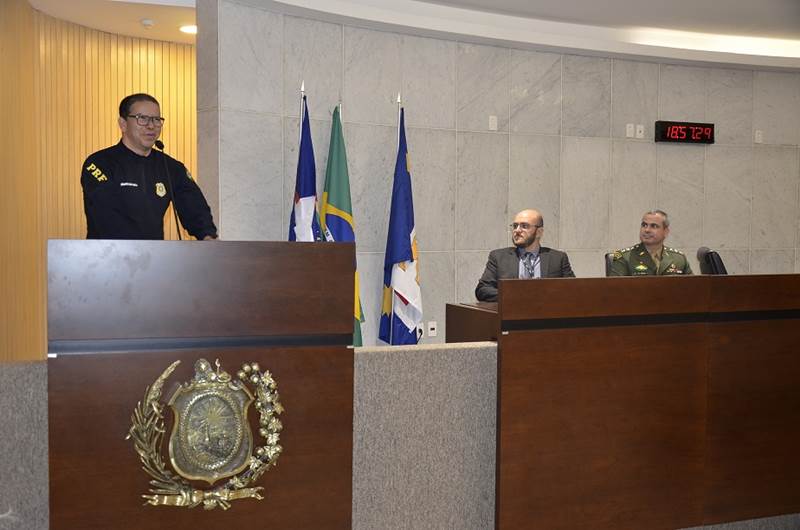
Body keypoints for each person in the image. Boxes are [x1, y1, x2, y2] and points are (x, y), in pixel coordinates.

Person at [81, 93, 218, 240]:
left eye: (156, 119)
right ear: (123, 124)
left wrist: (207, 237)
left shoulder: (171, 168)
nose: (151, 126)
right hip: (110, 252)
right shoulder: (99, 163)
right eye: (142, 118)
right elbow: (106, 216)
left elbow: (195, 210)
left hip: (153, 253)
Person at [475, 209, 575, 302]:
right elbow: (482, 290)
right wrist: (516, 296)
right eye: (515, 226)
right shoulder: (499, 257)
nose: (517, 230)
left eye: (524, 226)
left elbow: (573, 290)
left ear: (539, 232)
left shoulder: (557, 258)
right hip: (512, 313)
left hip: (547, 313)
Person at [608, 210, 692, 276]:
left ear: (666, 232)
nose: (647, 230)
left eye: (654, 226)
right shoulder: (623, 257)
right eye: (644, 225)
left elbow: (693, 288)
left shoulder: (679, 259)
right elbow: (616, 290)